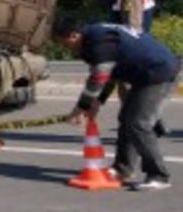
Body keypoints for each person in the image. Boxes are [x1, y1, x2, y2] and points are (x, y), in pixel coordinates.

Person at [54, 21, 180, 191]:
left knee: (138, 124)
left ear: (73, 35)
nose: (66, 48)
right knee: (126, 119)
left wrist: (81, 107)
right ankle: (123, 169)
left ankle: (159, 175)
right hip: (145, 75)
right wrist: (98, 101)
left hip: (158, 73)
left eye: (63, 43)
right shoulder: (97, 34)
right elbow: (111, 73)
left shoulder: (97, 40)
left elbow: (100, 74)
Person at [101, 0, 169, 137]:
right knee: (129, 91)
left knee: (130, 93)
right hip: (138, 48)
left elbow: (132, 27)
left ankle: (143, 128)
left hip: (131, 51)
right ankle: (153, 124)